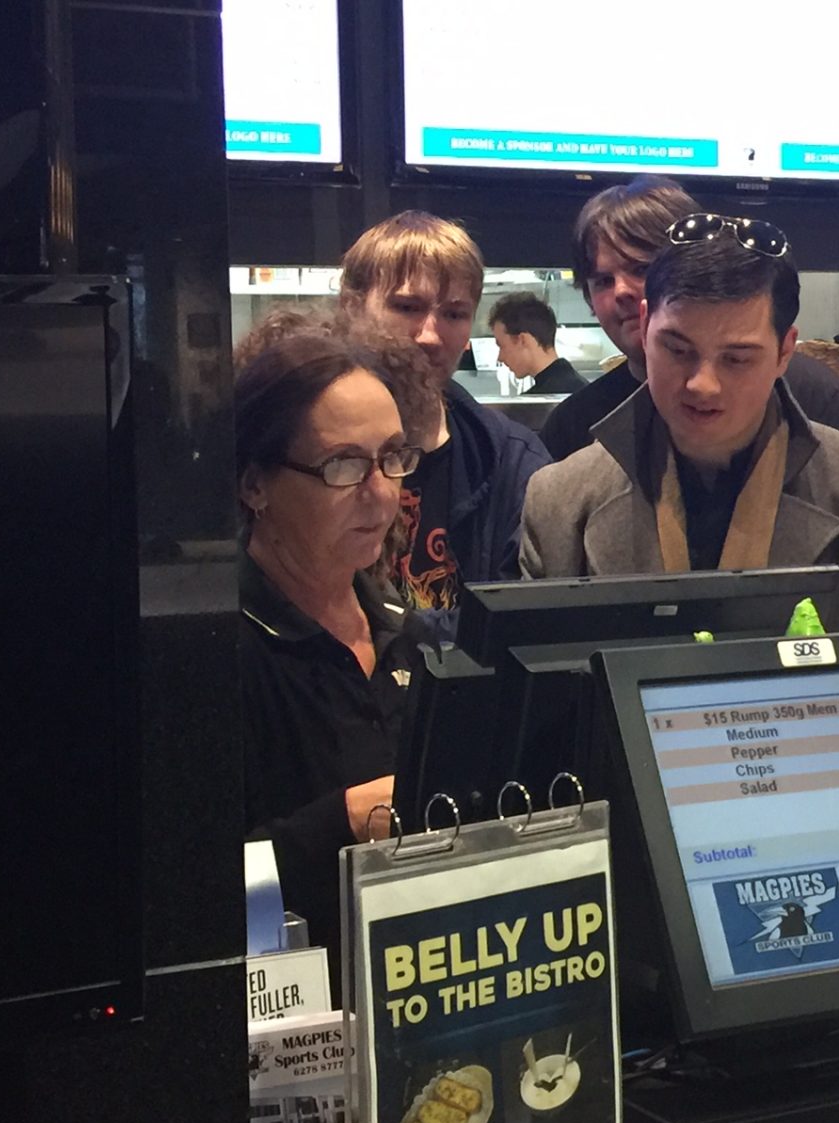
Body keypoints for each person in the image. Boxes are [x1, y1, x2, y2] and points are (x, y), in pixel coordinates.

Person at [520, 213, 839, 633]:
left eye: (736, 359)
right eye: (678, 350)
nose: (703, 385)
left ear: (784, 352)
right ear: (644, 327)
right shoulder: (559, 503)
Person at [236, 331, 421, 999]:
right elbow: (179, 896)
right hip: (287, 1020)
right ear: (255, 483)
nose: (381, 494)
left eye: (393, 458)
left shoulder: (407, 630)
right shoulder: (221, 652)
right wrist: (339, 822)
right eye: (344, 465)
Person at [537, 176, 839, 460]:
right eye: (602, 281)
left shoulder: (812, 394)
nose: (621, 291)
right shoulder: (572, 426)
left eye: (641, 269)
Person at [338, 210, 550, 639]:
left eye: (453, 314)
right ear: (352, 307)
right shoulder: (297, 449)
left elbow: (521, 623)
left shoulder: (513, 462)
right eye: (406, 307)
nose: (430, 336)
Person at [487, 291, 588, 395]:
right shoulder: (583, 388)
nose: (500, 358)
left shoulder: (539, 400)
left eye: (502, 346)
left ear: (522, 340)